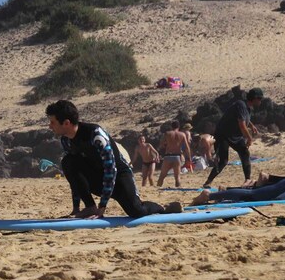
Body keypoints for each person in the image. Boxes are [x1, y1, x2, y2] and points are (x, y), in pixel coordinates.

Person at [46, 100, 181, 219]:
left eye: (52, 122)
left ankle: (163, 207)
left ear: (66, 123)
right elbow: (74, 176)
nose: (50, 126)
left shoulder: (95, 135)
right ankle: (90, 207)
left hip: (119, 176)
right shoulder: (66, 140)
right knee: (68, 161)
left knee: (136, 211)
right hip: (98, 178)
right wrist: (76, 208)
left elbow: (111, 169)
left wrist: (102, 206)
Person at [202, 88, 263, 188]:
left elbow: (244, 118)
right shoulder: (241, 105)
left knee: (245, 153)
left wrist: (251, 125)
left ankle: (247, 180)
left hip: (235, 136)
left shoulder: (247, 108)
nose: (261, 101)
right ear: (255, 98)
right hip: (223, 135)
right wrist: (249, 138)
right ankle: (208, 182)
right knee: (223, 161)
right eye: (260, 99)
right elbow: (242, 125)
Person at [157, 121, 191, 187]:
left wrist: (165, 146)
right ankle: (178, 190)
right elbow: (187, 148)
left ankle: (157, 189)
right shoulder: (182, 134)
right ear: (179, 127)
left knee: (162, 176)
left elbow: (161, 145)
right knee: (177, 177)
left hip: (168, 156)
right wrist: (189, 158)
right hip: (177, 156)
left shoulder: (167, 133)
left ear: (171, 126)